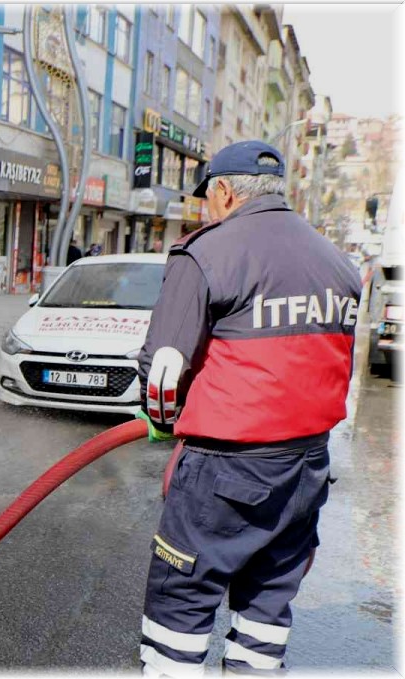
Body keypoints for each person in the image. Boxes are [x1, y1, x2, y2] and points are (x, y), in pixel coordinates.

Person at [134, 141, 361, 676]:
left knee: (181, 604)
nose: (206, 209)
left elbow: (163, 372)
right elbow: (336, 367)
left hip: (224, 472)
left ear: (225, 191)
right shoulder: (338, 262)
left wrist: (166, 424)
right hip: (306, 470)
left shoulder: (208, 252)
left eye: (208, 197)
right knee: (266, 606)